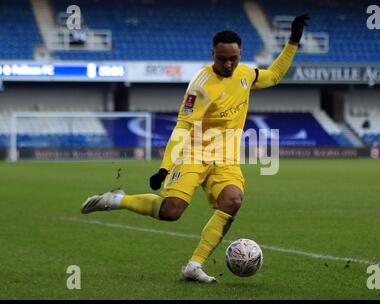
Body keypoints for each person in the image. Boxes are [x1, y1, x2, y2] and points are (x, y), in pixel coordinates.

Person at [81, 14, 310, 283]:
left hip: (225, 159)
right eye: (222, 58)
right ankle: (117, 199)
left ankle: (194, 265)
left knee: (233, 200)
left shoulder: (246, 73)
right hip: (194, 153)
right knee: (171, 212)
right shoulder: (200, 88)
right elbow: (182, 128)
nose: (228, 64)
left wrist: (293, 41)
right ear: (213, 53)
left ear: (240, 55)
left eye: (233, 58)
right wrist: (165, 168)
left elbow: (274, 76)